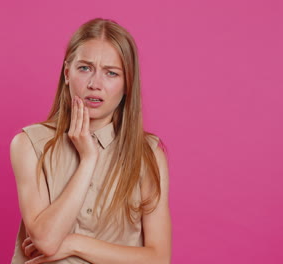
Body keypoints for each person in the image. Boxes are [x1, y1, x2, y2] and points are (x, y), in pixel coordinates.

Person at [10, 18, 172, 264]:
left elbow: (159, 258)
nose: (95, 84)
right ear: (67, 73)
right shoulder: (30, 144)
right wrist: (88, 159)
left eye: (111, 73)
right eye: (84, 68)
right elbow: (46, 240)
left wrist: (75, 244)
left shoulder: (147, 154)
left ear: (127, 83)